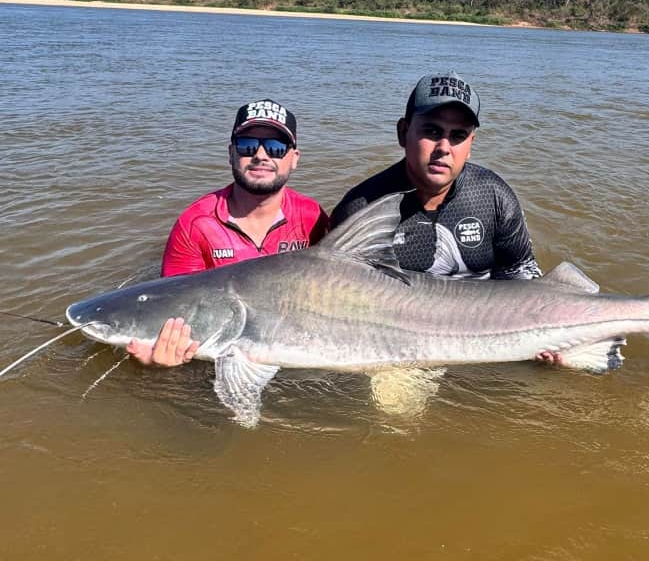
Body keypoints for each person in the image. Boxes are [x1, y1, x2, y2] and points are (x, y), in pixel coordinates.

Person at [128, 98, 329, 366]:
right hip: (224, 352)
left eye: (276, 147)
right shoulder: (195, 225)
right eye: (247, 145)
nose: (260, 155)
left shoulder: (312, 217)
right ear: (231, 153)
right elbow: (176, 303)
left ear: (294, 159)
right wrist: (157, 362)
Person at [331, 71, 542, 281]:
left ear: (470, 145)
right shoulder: (359, 212)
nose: (444, 148)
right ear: (403, 132)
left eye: (458, 135)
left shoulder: (495, 196)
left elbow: (521, 269)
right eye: (432, 131)